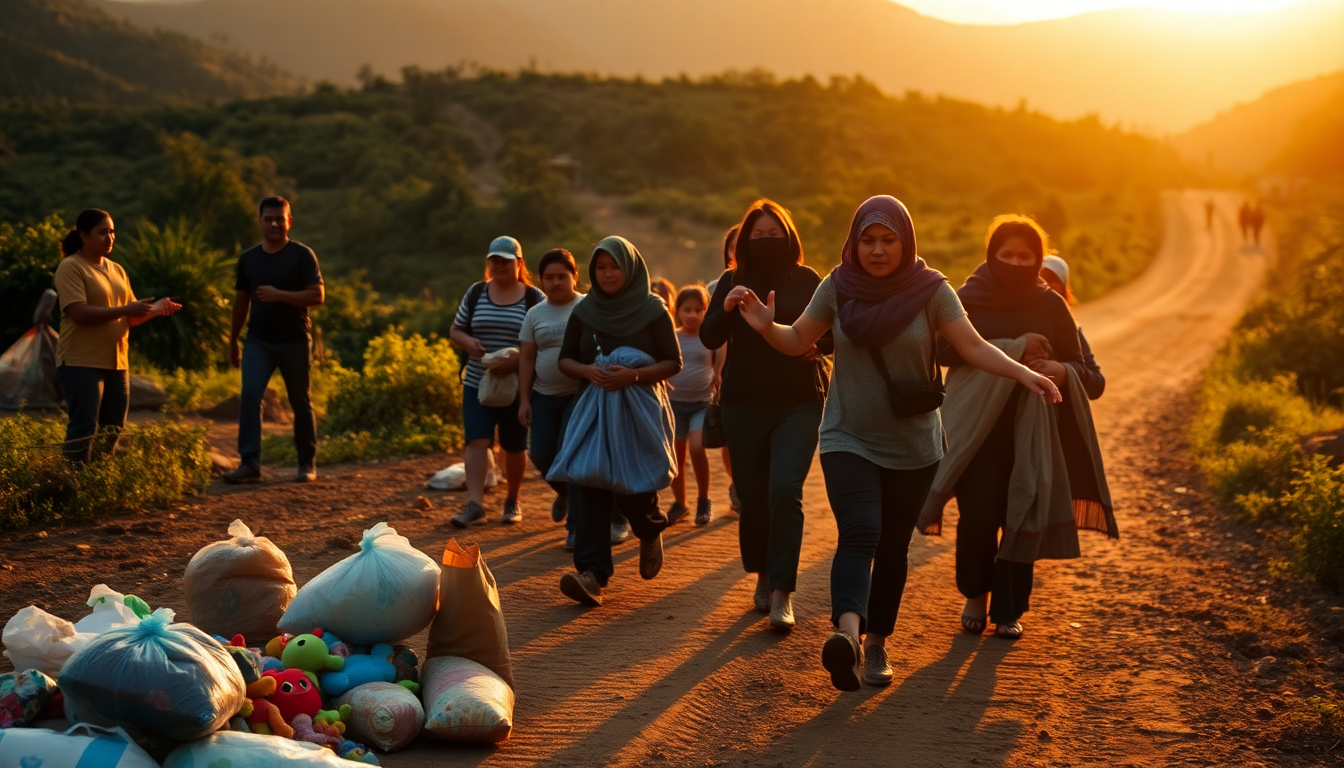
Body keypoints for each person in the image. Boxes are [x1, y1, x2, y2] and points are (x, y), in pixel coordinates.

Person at [738, 196, 1059, 691]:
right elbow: (798, 337)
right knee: (860, 531)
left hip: (914, 445)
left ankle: (878, 644)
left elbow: (971, 346)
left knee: (892, 549)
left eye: (888, 240)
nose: (878, 250)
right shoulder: (837, 287)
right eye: (868, 240)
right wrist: (766, 326)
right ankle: (847, 636)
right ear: (855, 241)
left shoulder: (932, 291)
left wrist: (1022, 373)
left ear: (906, 241)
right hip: (847, 436)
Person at [937, 215, 1116, 641]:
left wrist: (1060, 369)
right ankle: (976, 596)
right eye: (1007, 254)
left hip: (1032, 431)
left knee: (1021, 513)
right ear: (990, 254)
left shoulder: (1051, 304)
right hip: (976, 431)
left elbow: (1084, 372)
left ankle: (1010, 609)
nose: (1016, 263)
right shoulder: (968, 299)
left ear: (1038, 260)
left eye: (1026, 256)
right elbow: (943, 350)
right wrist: (1012, 350)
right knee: (978, 517)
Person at [702, 199, 832, 630]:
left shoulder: (808, 279)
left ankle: (782, 593)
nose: (765, 242)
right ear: (743, 242)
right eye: (756, 237)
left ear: (789, 237)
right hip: (743, 404)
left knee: (784, 489)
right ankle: (761, 574)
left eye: (774, 235)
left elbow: (834, 331)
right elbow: (708, 335)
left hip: (798, 401)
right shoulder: (730, 279)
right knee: (754, 495)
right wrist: (725, 306)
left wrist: (819, 346)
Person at [555, 236, 682, 607]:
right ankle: (592, 574)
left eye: (614, 267)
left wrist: (634, 376)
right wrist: (587, 370)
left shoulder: (654, 310)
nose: (607, 274)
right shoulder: (584, 312)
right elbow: (565, 360)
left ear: (630, 269)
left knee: (633, 488)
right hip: (594, 408)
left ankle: (649, 528)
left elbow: (673, 361)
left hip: (639, 409)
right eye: (601, 267)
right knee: (589, 483)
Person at [53, 209, 180, 463]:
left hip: (117, 363)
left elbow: (130, 318)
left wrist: (155, 310)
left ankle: (99, 484)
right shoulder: (71, 267)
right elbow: (78, 312)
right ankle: (70, 487)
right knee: (83, 430)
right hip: (81, 362)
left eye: (112, 231)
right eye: (102, 232)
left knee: (112, 430)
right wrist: (126, 309)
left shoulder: (118, 270)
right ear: (83, 235)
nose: (109, 237)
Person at [224, 197, 323, 484]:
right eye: (268, 219)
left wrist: (280, 295)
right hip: (258, 342)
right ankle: (249, 463)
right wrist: (233, 340)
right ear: (260, 221)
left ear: (289, 221)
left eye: (280, 218)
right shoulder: (249, 259)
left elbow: (318, 296)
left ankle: (307, 464)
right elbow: (241, 301)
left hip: (294, 341)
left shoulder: (302, 255)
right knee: (251, 397)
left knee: (300, 401)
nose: (274, 224)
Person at [448, 236, 544, 526]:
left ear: (519, 264)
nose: (500, 265)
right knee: (476, 440)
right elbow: (456, 330)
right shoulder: (476, 292)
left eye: (506, 261)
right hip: (478, 382)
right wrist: (469, 342)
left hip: (518, 385)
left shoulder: (533, 298)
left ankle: (513, 500)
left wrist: (517, 361)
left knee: (515, 445)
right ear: (488, 263)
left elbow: (544, 341)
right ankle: (475, 504)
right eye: (495, 261)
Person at [518, 248, 585, 549]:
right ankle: (566, 493)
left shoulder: (586, 307)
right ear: (541, 281)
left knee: (568, 454)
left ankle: (575, 527)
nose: (556, 282)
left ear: (574, 277)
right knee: (542, 455)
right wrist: (524, 400)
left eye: (562, 276)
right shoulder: (535, 314)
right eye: (549, 278)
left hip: (580, 395)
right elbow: (527, 358)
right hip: (543, 396)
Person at [667, 285, 718, 527]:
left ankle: (703, 500)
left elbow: (723, 352)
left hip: (701, 402)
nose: (693, 315)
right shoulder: (672, 337)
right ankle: (680, 503)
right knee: (676, 457)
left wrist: (718, 375)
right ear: (677, 311)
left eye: (699, 310)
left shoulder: (709, 336)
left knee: (697, 448)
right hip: (675, 404)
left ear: (706, 310)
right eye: (687, 310)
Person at [706, 225, 739, 512]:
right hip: (721, 369)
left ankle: (745, 483)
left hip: (745, 368)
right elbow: (710, 335)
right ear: (727, 252)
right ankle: (737, 481)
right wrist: (714, 370)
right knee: (729, 438)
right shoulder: (714, 289)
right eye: (733, 246)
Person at [1040, 255, 1104, 400]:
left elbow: (1097, 386)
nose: (1045, 285)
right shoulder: (1015, 324)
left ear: (1063, 289)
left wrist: (1065, 372)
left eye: (1052, 280)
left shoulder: (1071, 329)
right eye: (1039, 279)